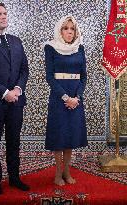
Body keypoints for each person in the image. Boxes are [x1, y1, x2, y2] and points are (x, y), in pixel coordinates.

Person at [44, 15, 88, 186]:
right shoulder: (50, 47)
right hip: (59, 98)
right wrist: (65, 97)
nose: (69, 32)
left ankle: (66, 171)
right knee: (59, 135)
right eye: (66, 28)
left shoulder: (80, 48)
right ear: (60, 30)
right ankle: (57, 173)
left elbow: (83, 77)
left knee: (70, 135)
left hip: (75, 99)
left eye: (72, 29)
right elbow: (50, 77)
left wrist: (77, 97)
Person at [0, 2, 30, 195]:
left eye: (5, 13)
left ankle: (14, 178)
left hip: (16, 102)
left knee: (14, 142)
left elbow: (24, 69)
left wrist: (17, 89)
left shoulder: (16, 41)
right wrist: (4, 93)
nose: (3, 16)